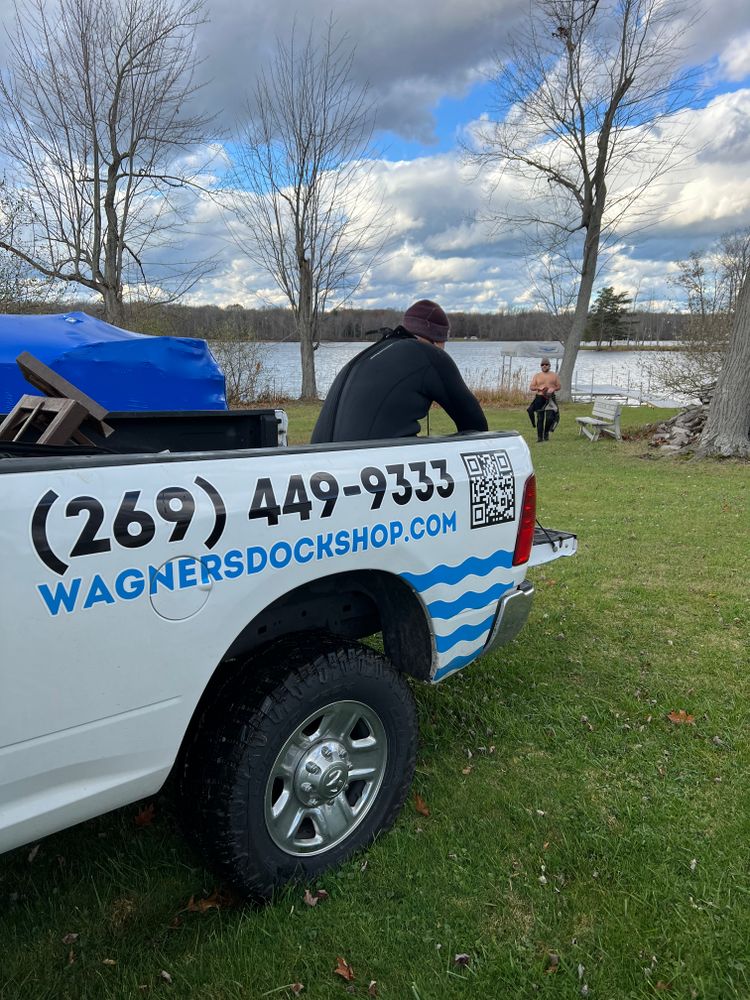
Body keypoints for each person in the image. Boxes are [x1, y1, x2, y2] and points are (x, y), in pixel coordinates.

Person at [311, 300, 488, 443]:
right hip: (369, 469)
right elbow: (476, 425)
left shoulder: (371, 354)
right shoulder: (430, 355)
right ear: (437, 339)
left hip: (319, 468)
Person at [527, 359, 561, 442]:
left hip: (550, 398)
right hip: (539, 398)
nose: (544, 366)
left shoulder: (554, 375)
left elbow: (559, 386)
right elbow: (531, 387)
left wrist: (553, 389)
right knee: (540, 418)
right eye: (542, 365)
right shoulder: (537, 375)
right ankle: (539, 437)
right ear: (541, 366)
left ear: (549, 365)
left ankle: (546, 433)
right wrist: (538, 388)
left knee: (550, 417)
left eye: (546, 364)